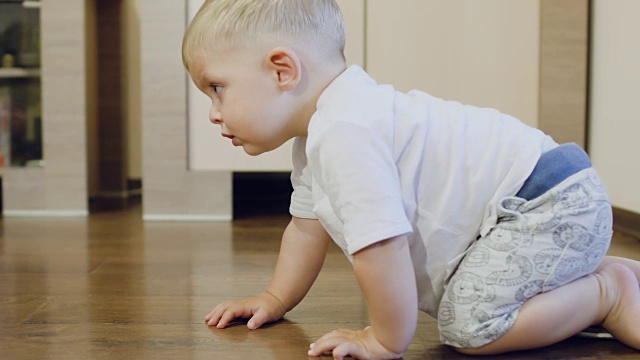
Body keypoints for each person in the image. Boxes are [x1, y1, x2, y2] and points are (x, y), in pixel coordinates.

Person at [182, 0, 640, 358]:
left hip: (546, 204)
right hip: (543, 199)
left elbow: (381, 246)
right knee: (465, 301)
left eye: (217, 88)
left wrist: (385, 339)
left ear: (282, 70)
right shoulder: (325, 132)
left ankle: (608, 292)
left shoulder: (346, 132)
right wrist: (274, 298)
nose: (214, 113)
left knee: (470, 328)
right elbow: (306, 227)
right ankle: (586, 272)